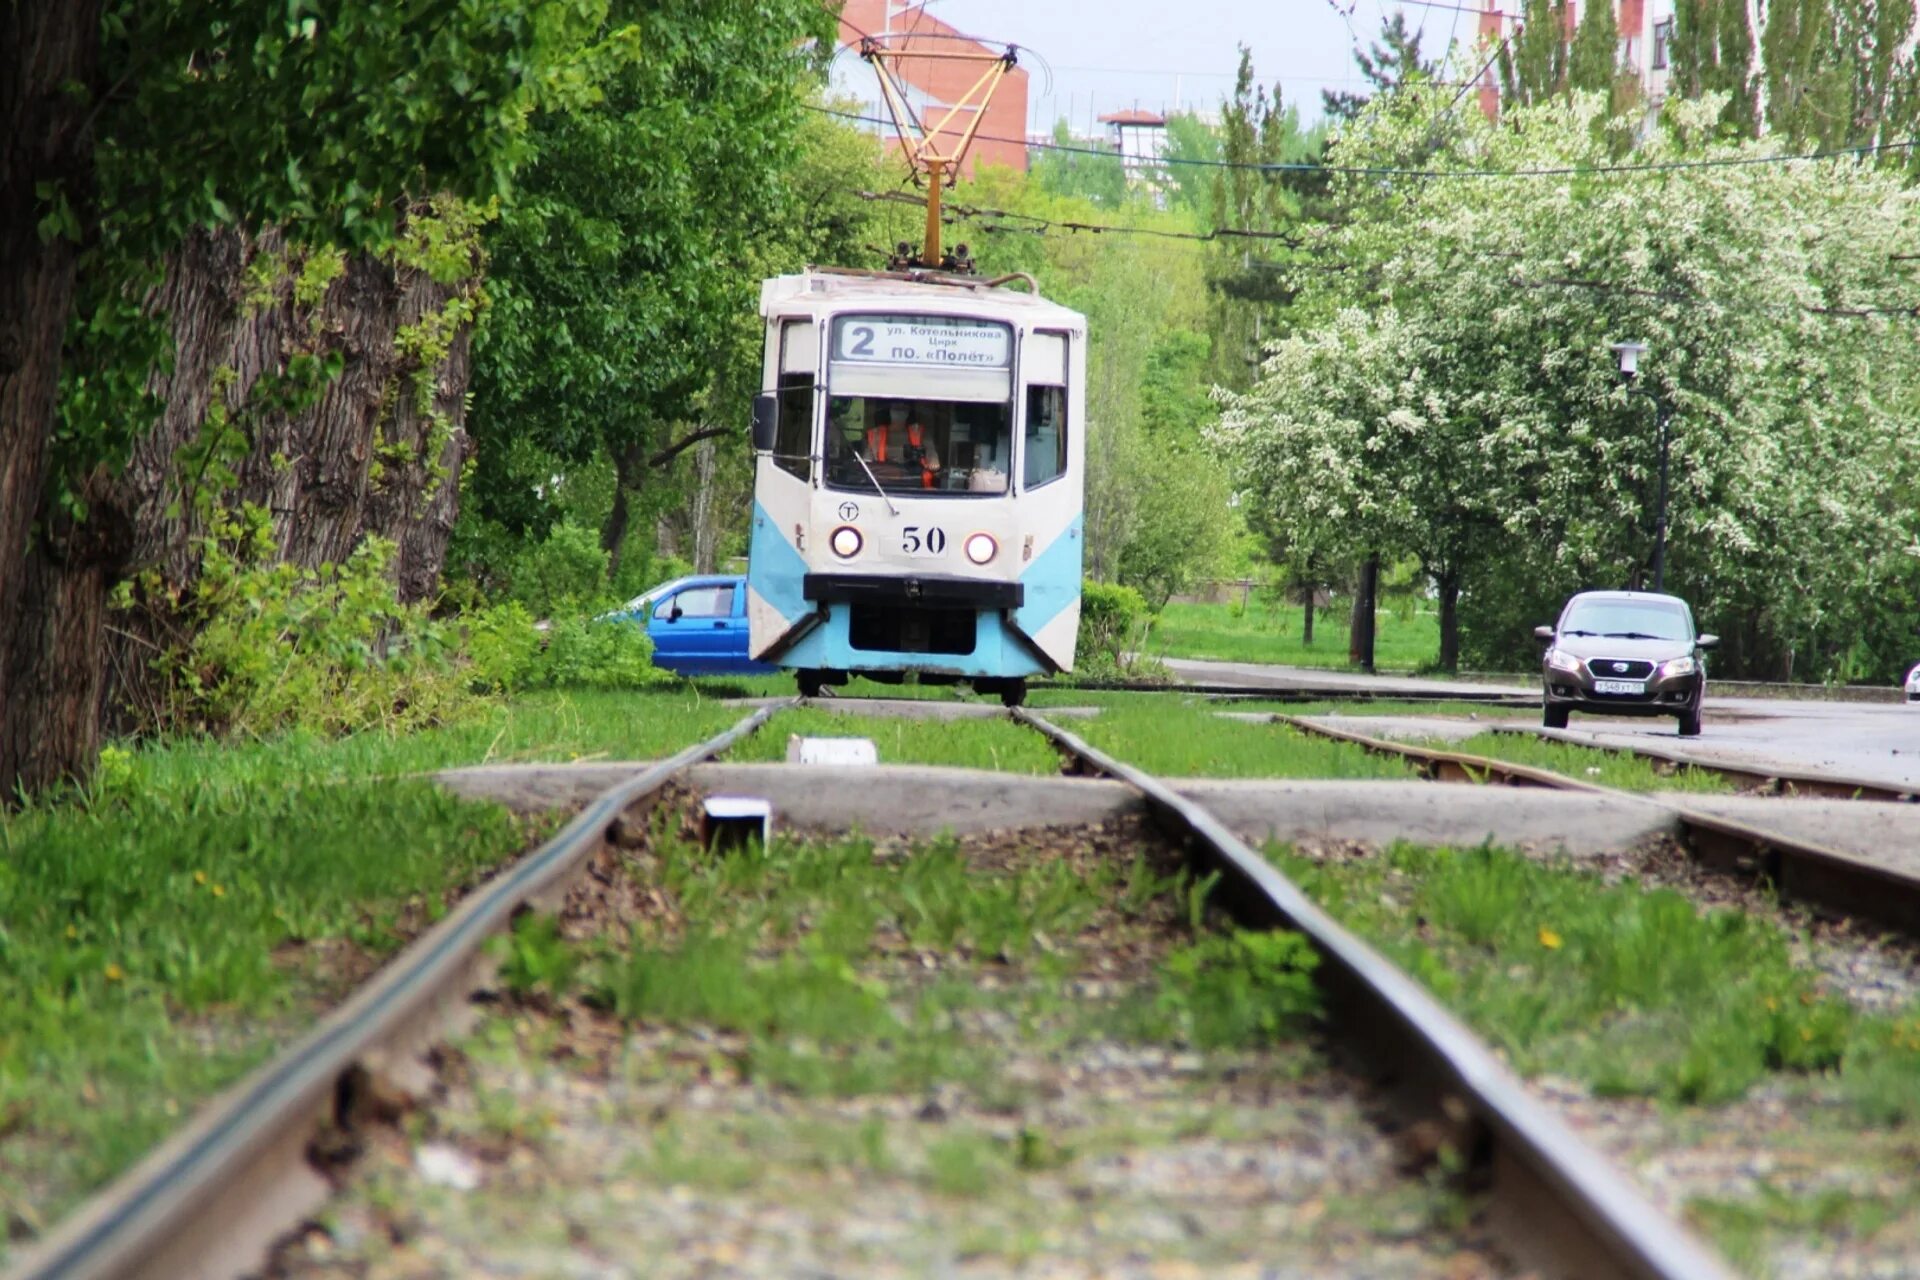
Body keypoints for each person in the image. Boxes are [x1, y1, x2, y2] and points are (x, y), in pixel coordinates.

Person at [864, 401, 941, 489]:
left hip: (915, 481)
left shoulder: (920, 432)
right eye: (896, 408)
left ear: (909, 412)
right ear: (889, 411)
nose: (899, 409)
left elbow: (931, 453)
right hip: (883, 483)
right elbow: (866, 462)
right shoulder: (875, 434)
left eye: (903, 408)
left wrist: (933, 461)